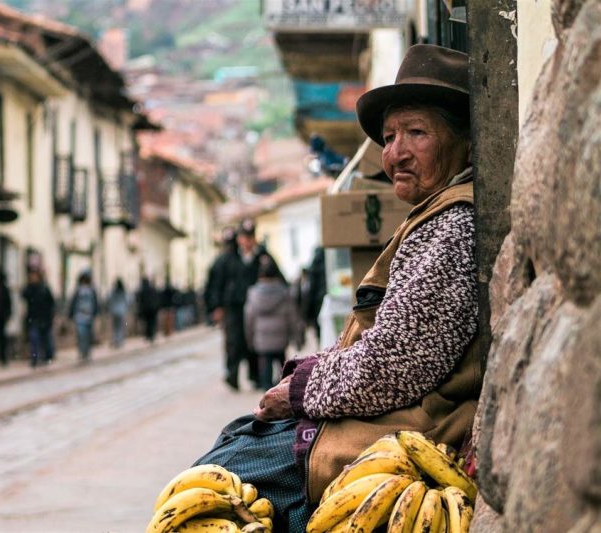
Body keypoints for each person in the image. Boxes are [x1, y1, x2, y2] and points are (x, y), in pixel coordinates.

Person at [193, 45, 481, 532]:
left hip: (407, 432)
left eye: (416, 133)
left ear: (464, 141)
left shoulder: (452, 226)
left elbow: (395, 367)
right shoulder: (432, 215)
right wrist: (310, 370)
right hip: (388, 416)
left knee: (223, 478)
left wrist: (302, 390)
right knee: (235, 443)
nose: (395, 153)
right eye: (389, 138)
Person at [206, 218, 283, 391]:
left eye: (250, 237)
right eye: (244, 237)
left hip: (257, 309)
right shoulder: (227, 259)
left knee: (255, 342)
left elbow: (278, 279)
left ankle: (255, 376)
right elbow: (216, 284)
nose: (247, 242)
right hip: (234, 307)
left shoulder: (263, 257)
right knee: (234, 341)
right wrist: (216, 306)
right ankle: (231, 375)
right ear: (239, 238)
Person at [244, 261, 296, 391]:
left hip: (262, 338)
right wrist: (297, 335)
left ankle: (267, 393)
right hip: (281, 336)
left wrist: (249, 337)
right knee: (283, 367)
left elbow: (249, 317)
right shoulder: (284, 292)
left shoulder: (253, 294)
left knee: (265, 367)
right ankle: (284, 390)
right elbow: (292, 315)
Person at [21, 269, 55, 367]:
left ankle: (46, 357)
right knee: (34, 339)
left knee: (45, 339)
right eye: (31, 277)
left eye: (35, 276)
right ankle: (34, 359)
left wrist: (50, 316)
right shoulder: (29, 288)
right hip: (33, 318)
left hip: (44, 318)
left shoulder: (44, 288)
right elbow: (23, 295)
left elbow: (51, 303)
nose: (33, 278)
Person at [69, 270, 99, 362]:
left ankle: (86, 353)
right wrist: (70, 314)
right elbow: (73, 303)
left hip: (88, 316)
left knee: (88, 336)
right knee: (81, 335)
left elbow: (95, 303)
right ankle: (82, 352)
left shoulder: (92, 290)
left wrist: (96, 314)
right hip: (80, 316)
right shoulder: (78, 290)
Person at [136, 276, 160, 343]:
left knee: (147, 323)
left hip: (146, 310)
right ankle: (151, 335)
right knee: (152, 322)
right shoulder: (152, 289)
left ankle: (148, 335)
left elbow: (139, 300)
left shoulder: (142, 290)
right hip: (152, 309)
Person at [107, 278, 128, 348]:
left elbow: (109, 299)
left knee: (115, 327)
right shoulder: (123, 291)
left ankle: (116, 340)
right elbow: (128, 300)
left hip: (114, 311)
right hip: (122, 311)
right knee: (120, 327)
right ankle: (120, 341)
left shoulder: (113, 291)